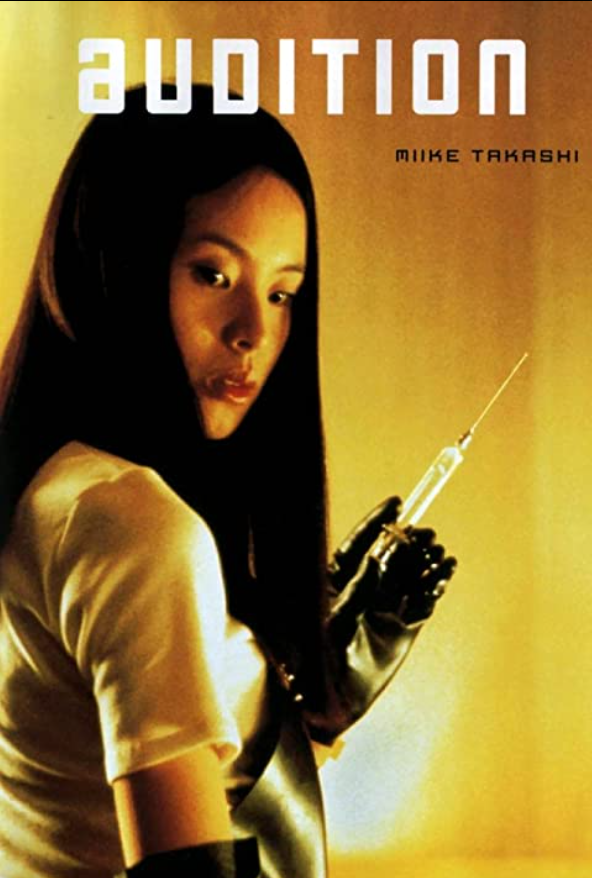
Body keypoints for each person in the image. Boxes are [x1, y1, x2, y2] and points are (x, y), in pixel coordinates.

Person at [0, 83, 457, 878]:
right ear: (118, 261)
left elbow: (97, 794)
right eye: (213, 274)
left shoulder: (58, 491)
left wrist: (325, 687)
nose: (255, 332)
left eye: (282, 293)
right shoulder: (135, 524)